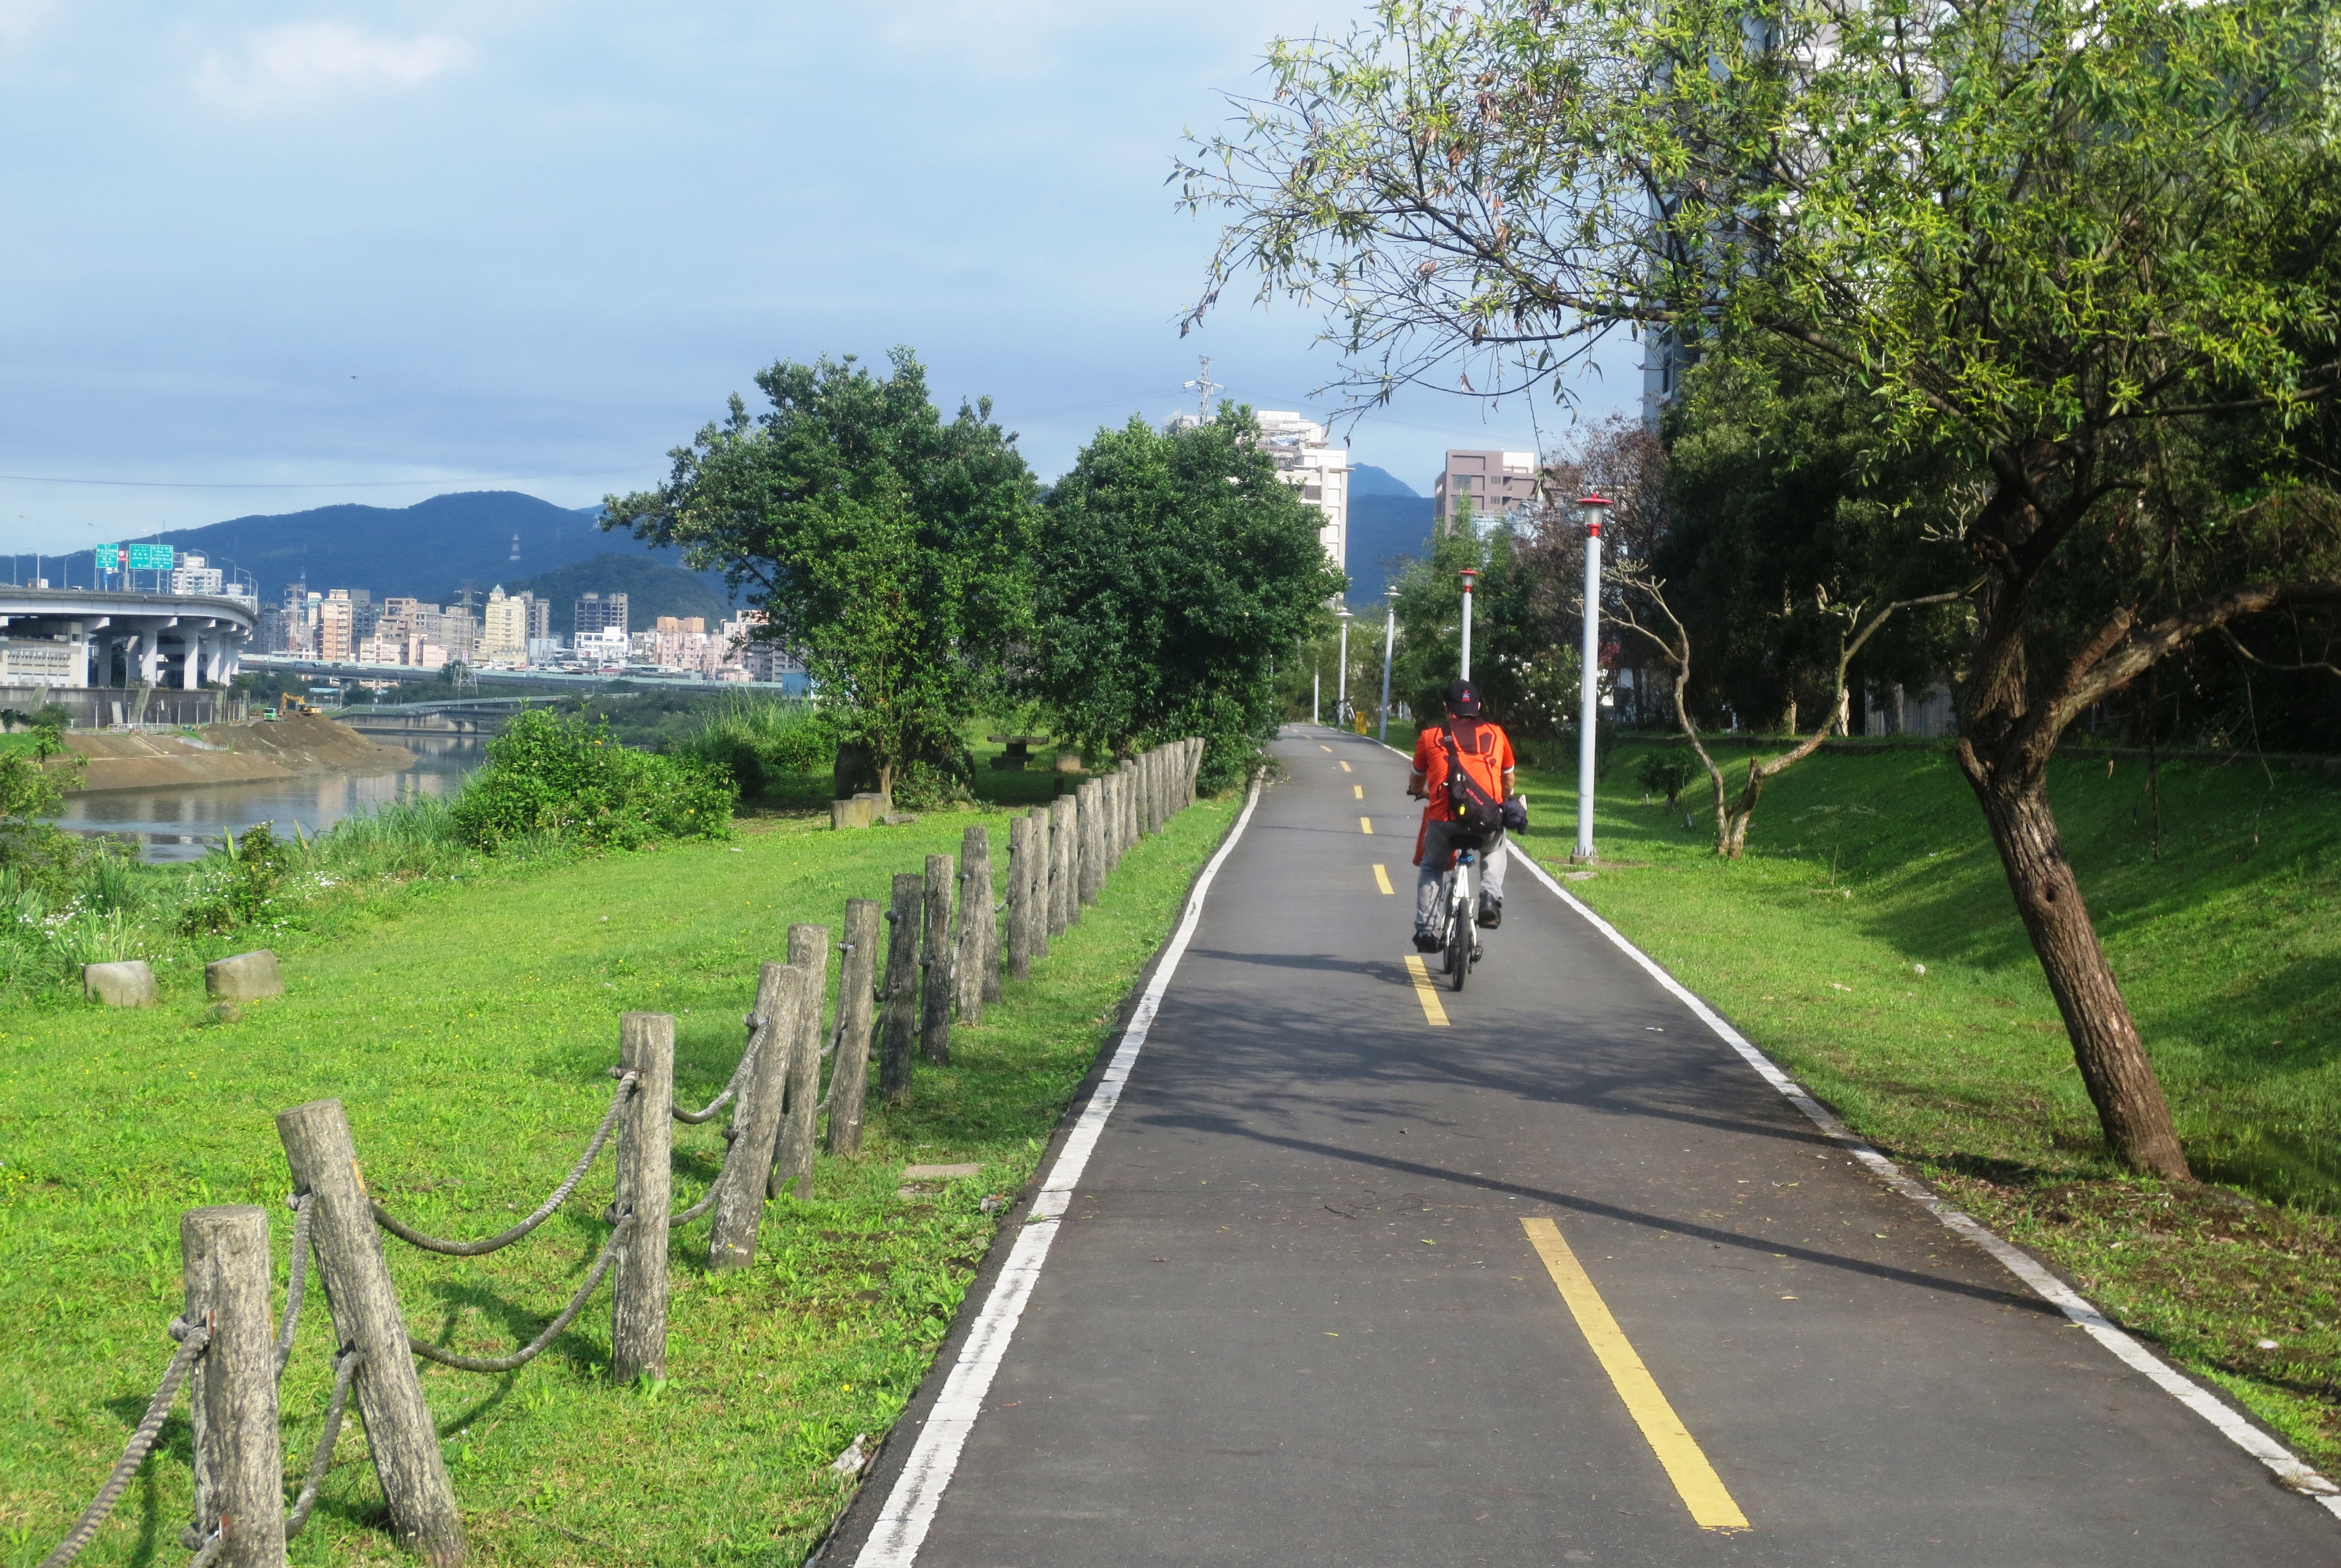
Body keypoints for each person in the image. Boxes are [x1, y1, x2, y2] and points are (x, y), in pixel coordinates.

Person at [1406, 678, 1515, 951]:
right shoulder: (1497, 733)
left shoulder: (1430, 736)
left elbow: (1417, 780)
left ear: (1446, 708)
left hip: (1445, 819)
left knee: (1432, 866)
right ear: (1478, 706)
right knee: (1494, 848)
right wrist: (1504, 799)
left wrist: (1417, 791)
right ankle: (1489, 898)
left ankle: (1427, 932)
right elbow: (1509, 779)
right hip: (1485, 819)